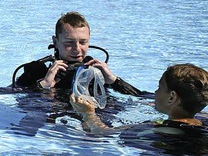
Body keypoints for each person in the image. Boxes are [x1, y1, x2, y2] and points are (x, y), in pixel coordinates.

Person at [14, 12, 141, 98]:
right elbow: (7, 94)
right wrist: (43, 85)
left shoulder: (95, 71)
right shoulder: (38, 71)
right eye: (69, 43)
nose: (77, 49)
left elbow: (143, 97)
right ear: (55, 42)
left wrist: (114, 80)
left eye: (83, 42)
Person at [70, 64, 208, 134]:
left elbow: (104, 133)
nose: (155, 92)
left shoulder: (157, 128)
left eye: (159, 87)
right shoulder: (202, 118)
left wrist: (88, 114)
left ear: (172, 97)